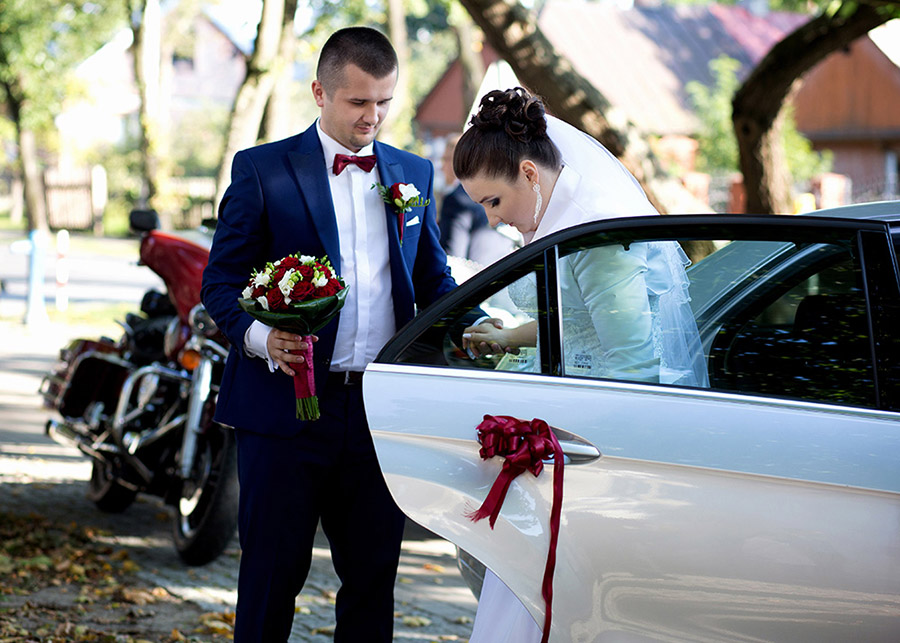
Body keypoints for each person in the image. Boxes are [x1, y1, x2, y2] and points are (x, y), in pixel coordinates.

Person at [200, 27, 459, 643]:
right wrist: (263, 338)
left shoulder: (412, 172)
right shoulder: (262, 170)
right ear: (320, 92)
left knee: (373, 582)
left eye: (384, 103)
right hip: (283, 409)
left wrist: (483, 330)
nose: (373, 117)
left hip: (376, 411)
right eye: (358, 102)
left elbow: (435, 279)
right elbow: (221, 281)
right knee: (270, 578)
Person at [452, 87, 708, 642]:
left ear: (530, 173)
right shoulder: (565, 215)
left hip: (579, 456)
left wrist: (573, 449)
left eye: (494, 201)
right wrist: (512, 336)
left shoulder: (598, 236)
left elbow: (634, 366)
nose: (493, 219)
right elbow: (583, 319)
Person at [438, 133, 516, 266]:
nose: (441, 167)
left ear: (456, 162)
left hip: (475, 281)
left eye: (445, 159)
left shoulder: (456, 200)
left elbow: (452, 259)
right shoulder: (499, 192)